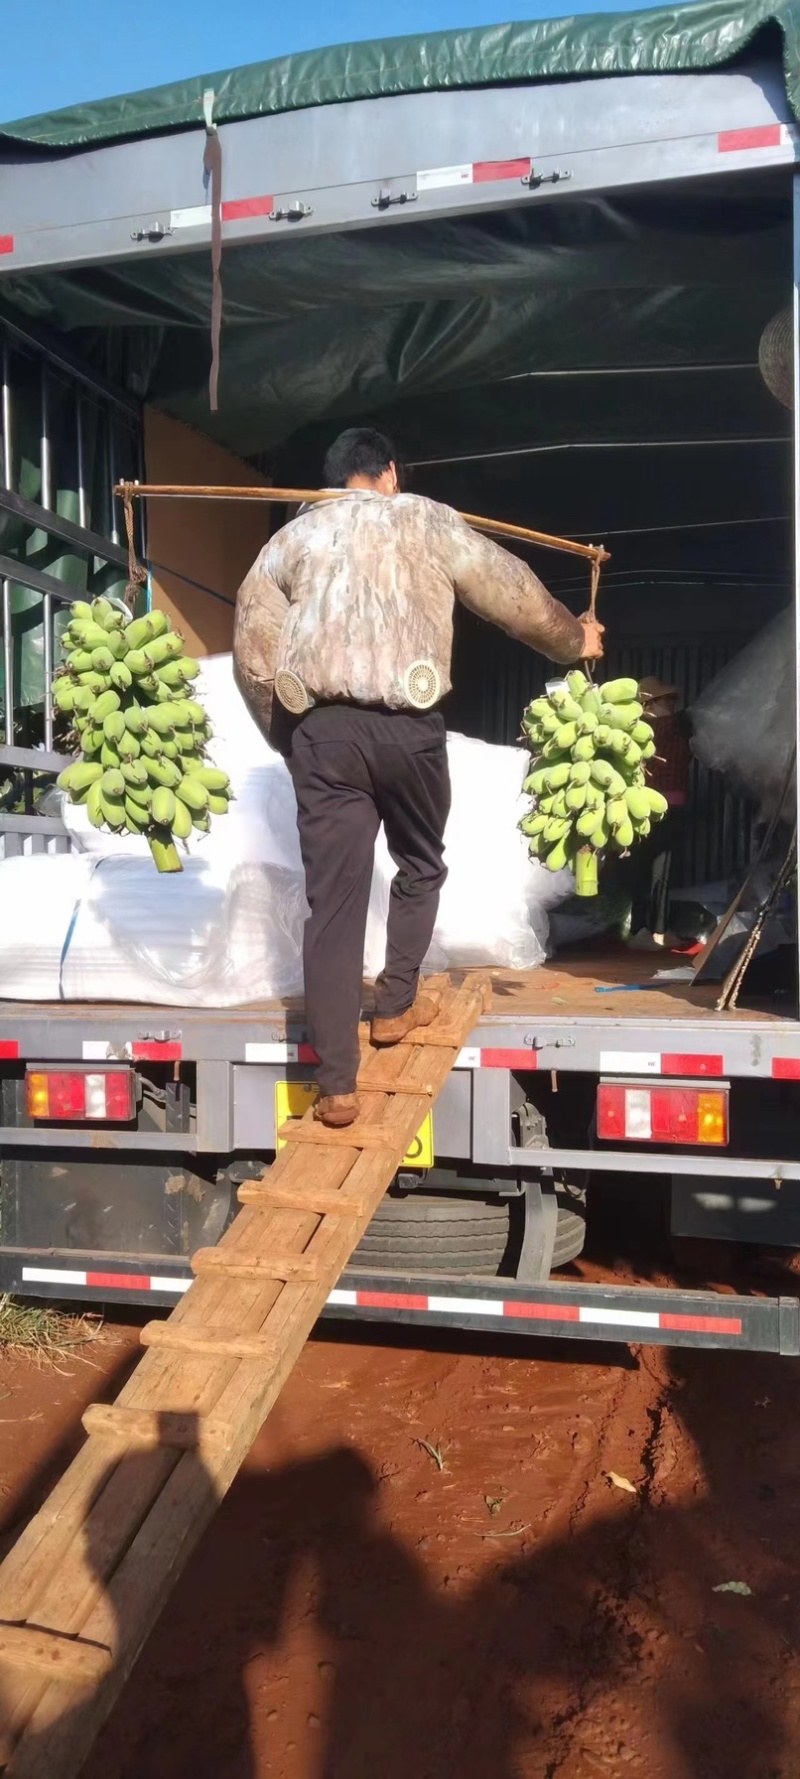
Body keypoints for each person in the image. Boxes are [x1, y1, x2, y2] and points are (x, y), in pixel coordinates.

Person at [233, 427, 604, 1127]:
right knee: (421, 864)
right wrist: (574, 637)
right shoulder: (427, 519)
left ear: (333, 480)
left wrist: (292, 740)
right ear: (390, 475)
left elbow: (253, 647)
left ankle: (337, 1083)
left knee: (333, 906)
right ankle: (397, 1002)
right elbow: (512, 593)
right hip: (409, 728)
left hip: (323, 733)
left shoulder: (290, 540)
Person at [629, 676, 692, 948]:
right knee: (658, 873)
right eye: (666, 699)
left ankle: (645, 929)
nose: (671, 704)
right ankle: (655, 930)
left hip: (651, 807)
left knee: (650, 871)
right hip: (662, 808)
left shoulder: (644, 730)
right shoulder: (664, 725)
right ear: (651, 703)